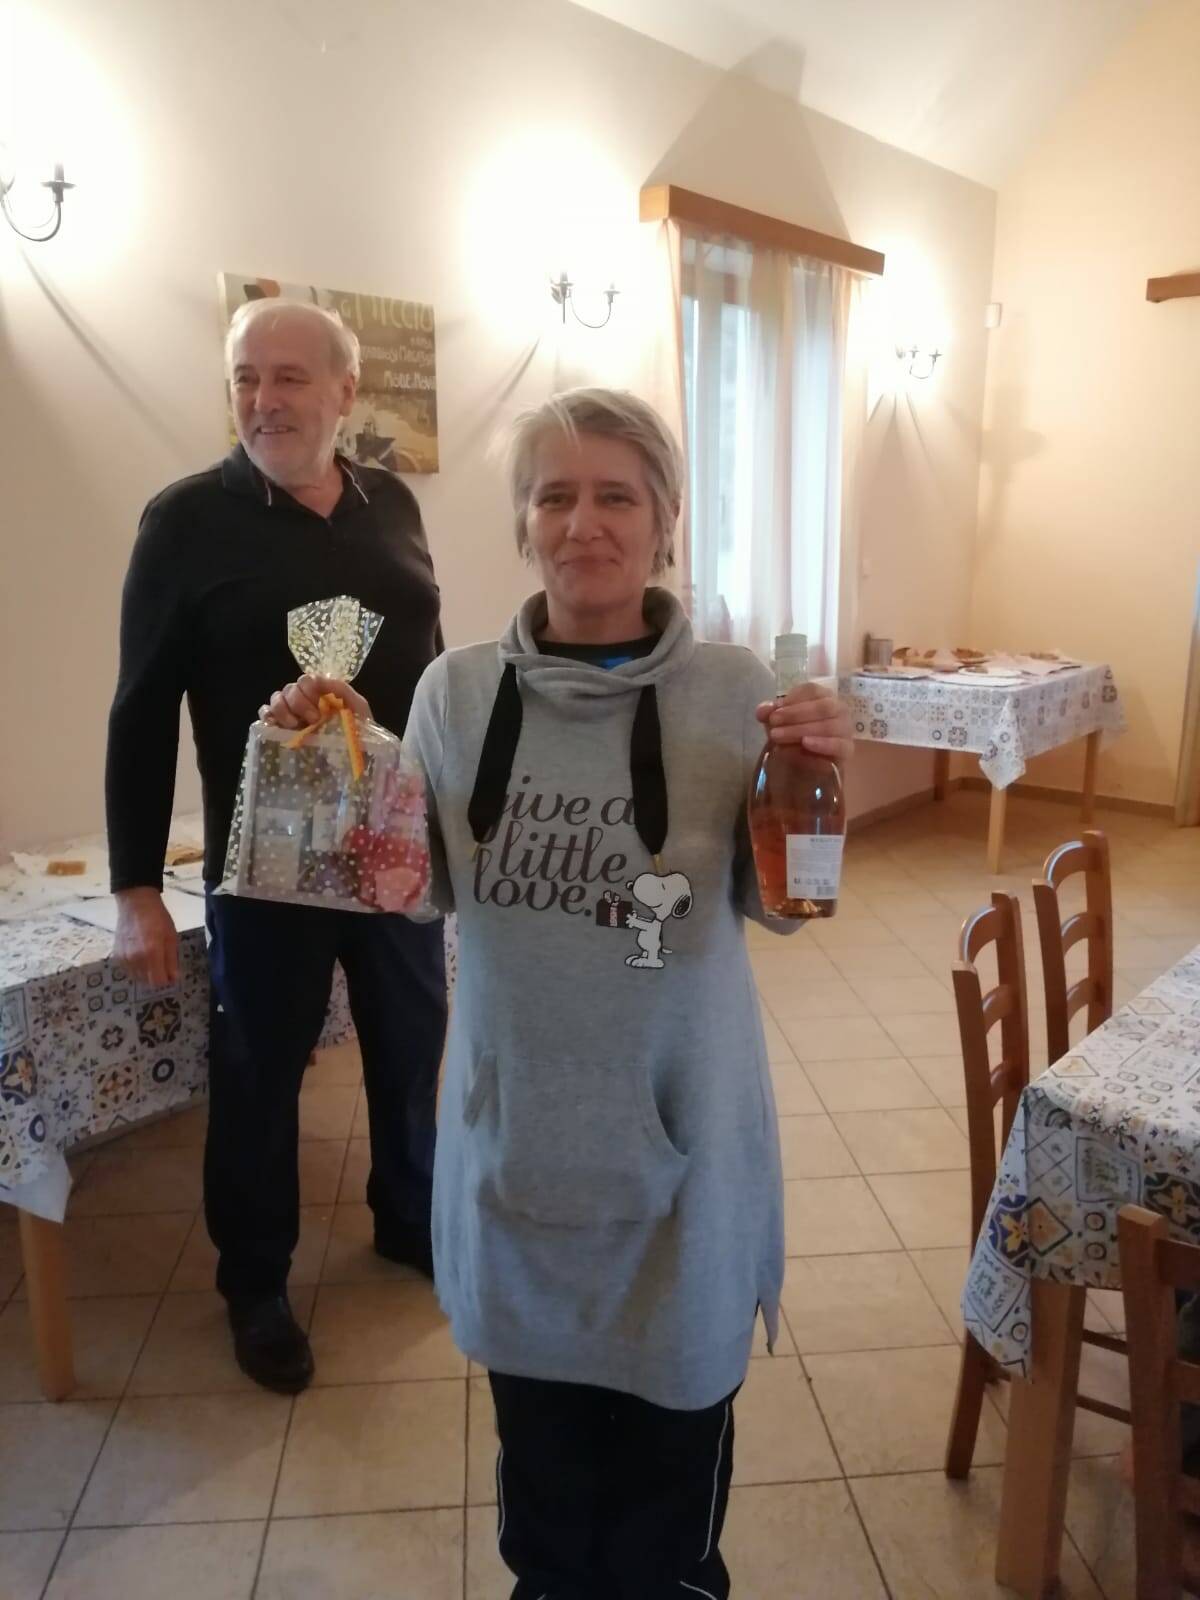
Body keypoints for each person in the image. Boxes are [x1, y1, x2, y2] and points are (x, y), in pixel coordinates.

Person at [265, 387, 853, 1597]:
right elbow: (413, 893)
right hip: (517, 1152)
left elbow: (787, 906)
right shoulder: (456, 693)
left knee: (664, 1527)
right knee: (544, 1510)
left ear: (666, 521)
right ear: (524, 523)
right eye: (556, 496)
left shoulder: (736, 691)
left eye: (616, 495)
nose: (585, 523)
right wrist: (344, 763)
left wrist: (815, 775)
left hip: (683, 1165)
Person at [105, 298, 447, 1394]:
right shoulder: (184, 520)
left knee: (411, 1044)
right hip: (265, 867)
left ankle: (409, 1216)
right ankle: (255, 1282)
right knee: (258, 1077)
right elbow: (140, 709)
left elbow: (430, 671)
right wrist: (134, 884)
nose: (264, 399)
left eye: (290, 377)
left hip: (392, 848)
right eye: (246, 378)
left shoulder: (392, 502)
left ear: (346, 391)